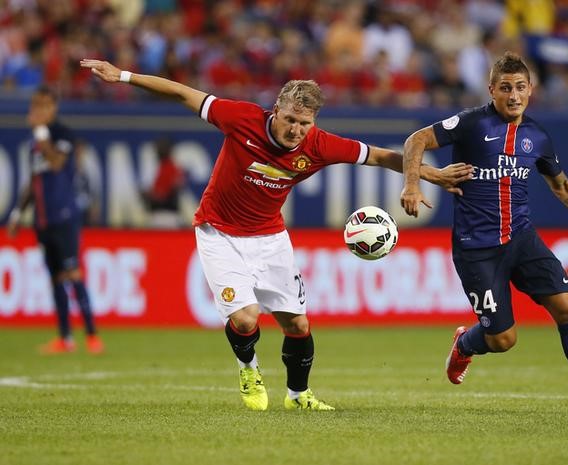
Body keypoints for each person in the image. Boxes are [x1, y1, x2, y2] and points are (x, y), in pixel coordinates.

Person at [80, 58, 472, 411]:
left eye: (305, 123)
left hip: (270, 238)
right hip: (219, 232)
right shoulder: (240, 118)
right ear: (276, 111)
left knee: (298, 326)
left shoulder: (319, 144)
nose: (297, 130)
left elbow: (382, 156)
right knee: (247, 319)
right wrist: (124, 76)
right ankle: (248, 368)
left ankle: (299, 396)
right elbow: (183, 92)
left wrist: (431, 175)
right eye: (291, 120)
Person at [400, 52, 568, 417]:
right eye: (505, 88)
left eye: (520, 87)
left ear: (531, 90)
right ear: (491, 90)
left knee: (567, 307)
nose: (513, 95)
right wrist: (413, 186)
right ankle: (465, 343)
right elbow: (416, 140)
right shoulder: (470, 124)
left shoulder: (537, 137)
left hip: (523, 240)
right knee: (503, 339)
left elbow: (562, 186)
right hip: (477, 249)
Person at [7, 86, 104, 355]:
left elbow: (57, 163)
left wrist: (40, 132)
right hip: (43, 220)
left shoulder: (61, 134)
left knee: (73, 274)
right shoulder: (34, 143)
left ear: (53, 107)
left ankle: (93, 336)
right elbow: (33, 180)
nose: (38, 111)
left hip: (64, 216)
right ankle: (65, 338)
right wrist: (17, 213)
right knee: (55, 278)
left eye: (44, 106)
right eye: (35, 106)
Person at [143, 136, 185, 229]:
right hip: (161, 215)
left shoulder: (170, 168)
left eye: (161, 148)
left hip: (166, 217)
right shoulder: (163, 167)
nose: (158, 150)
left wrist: (149, 195)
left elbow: (162, 195)